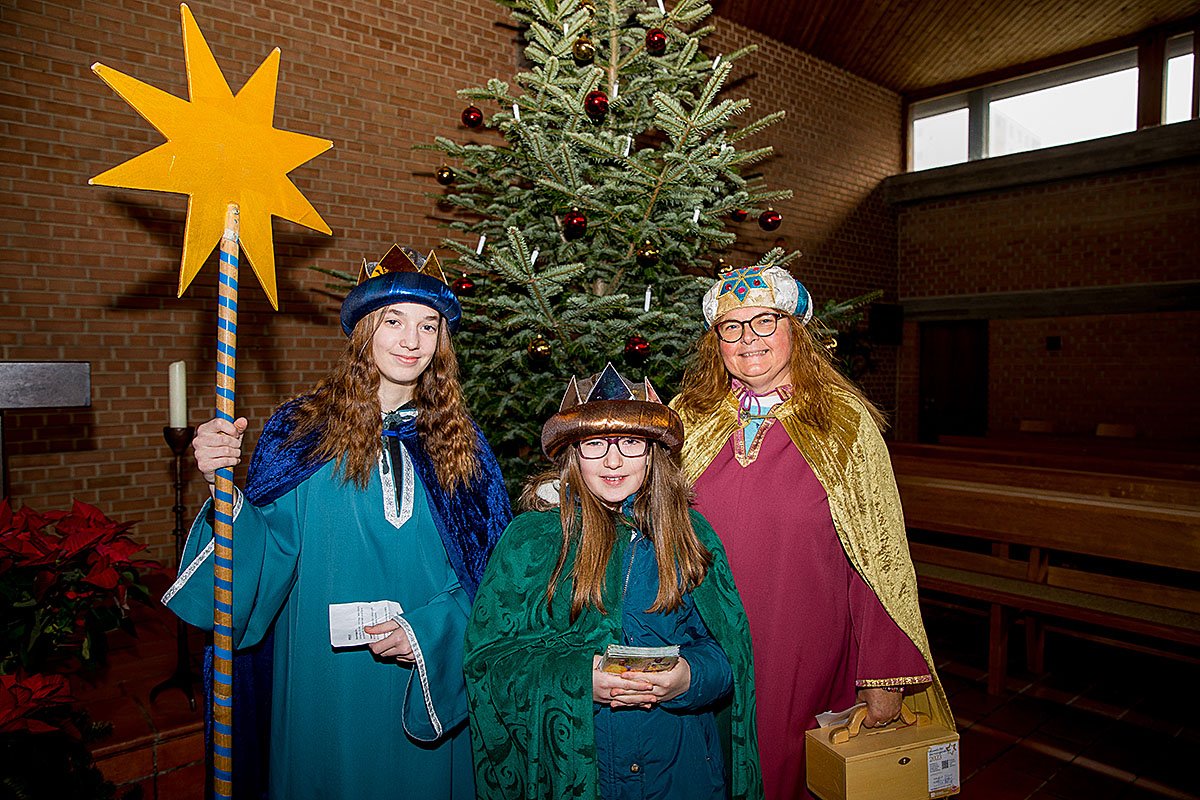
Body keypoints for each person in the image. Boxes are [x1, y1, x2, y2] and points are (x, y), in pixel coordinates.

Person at [162, 245, 512, 800]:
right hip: (323, 679)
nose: (412, 340)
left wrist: (430, 632)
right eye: (393, 321)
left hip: (423, 671)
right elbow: (266, 554)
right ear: (364, 330)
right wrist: (219, 484)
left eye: (428, 326)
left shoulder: (462, 445)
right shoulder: (303, 430)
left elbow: (492, 579)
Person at [671, 264, 954, 800]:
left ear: (795, 330)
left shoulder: (843, 423)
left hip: (801, 645)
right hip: (701, 639)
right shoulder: (688, 417)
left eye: (765, 321)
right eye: (731, 326)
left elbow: (880, 559)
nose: (748, 338)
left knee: (783, 772)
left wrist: (883, 678)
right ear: (716, 342)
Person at [463, 363, 762, 800]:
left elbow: (728, 654)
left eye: (630, 442)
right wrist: (579, 679)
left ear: (653, 453)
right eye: (595, 444)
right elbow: (488, 662)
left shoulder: (690, 534)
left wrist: (689, 677)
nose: (614, 460)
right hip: (580, 771)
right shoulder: (531, 542)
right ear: (573, 453)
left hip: (678, 768)